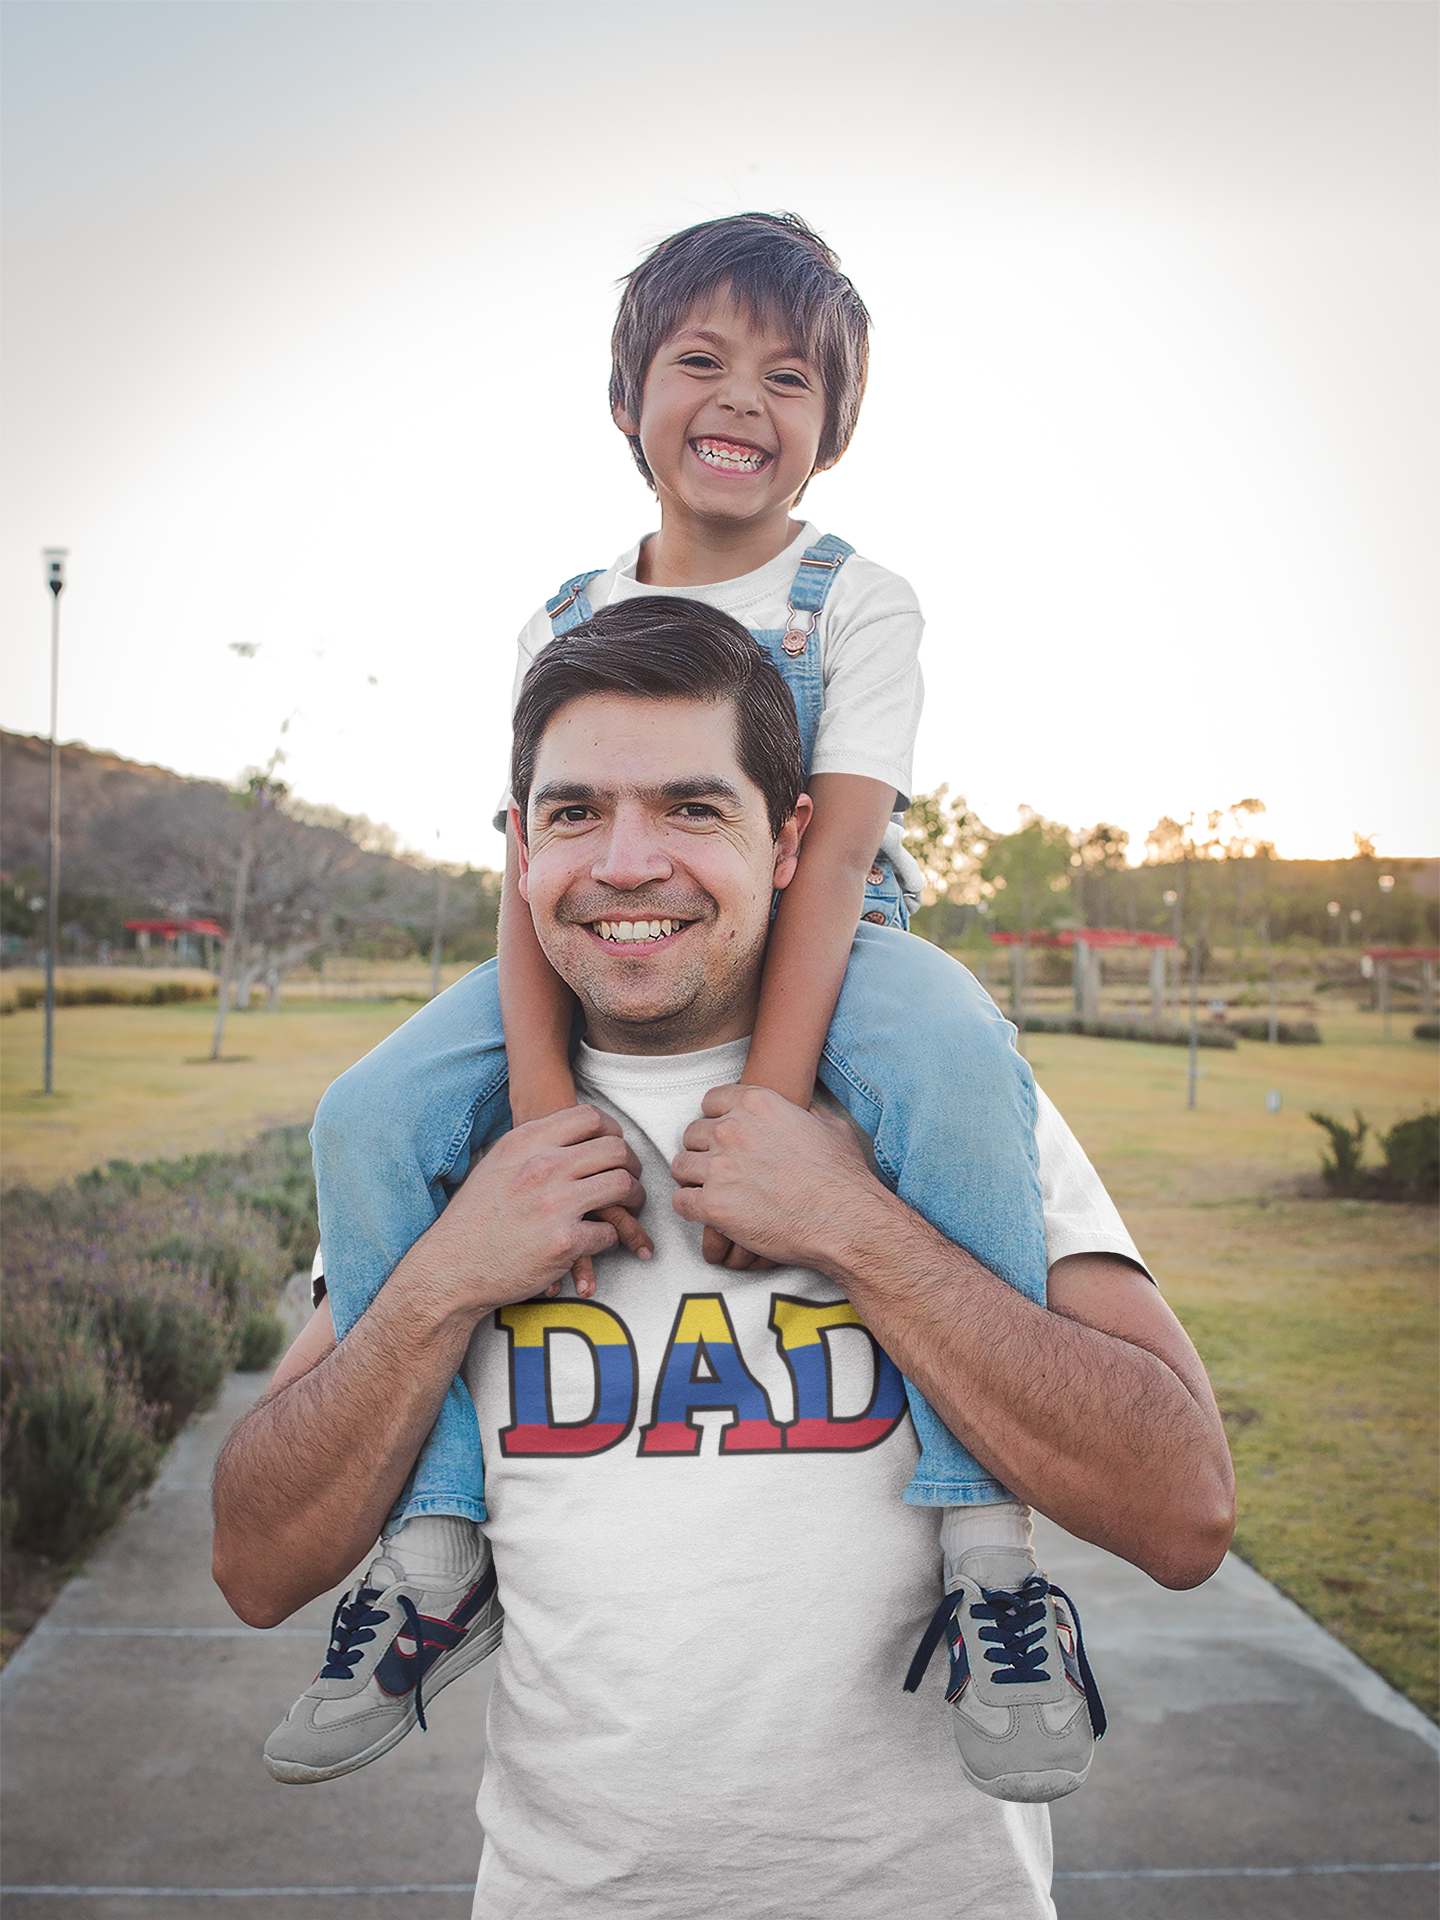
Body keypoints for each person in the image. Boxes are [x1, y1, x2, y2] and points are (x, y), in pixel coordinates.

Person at [263, 212, 1139, 1796]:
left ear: (834, 430)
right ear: (627, 403)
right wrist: (546, 1130)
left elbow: (840, 851)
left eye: (790, 375)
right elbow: (536, 861)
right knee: (368, 1108)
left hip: (829, 926)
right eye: (702, 360)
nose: (744, 397)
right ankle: (438, 1543)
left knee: (948, 1045)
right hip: (602, 928)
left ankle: (990, 1558)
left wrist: (775, 1117)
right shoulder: (563, 616)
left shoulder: (857, 603)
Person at [213, 607, 1235, 1918]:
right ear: (520, 846)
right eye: (575, 813)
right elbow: (256, 1560)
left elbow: (1184, 1513)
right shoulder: (449, 1149)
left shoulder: (945, 1107)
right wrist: (448, 1278)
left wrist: (859, 1225)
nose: (628, 864)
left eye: (693, 809)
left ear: (793, 839)